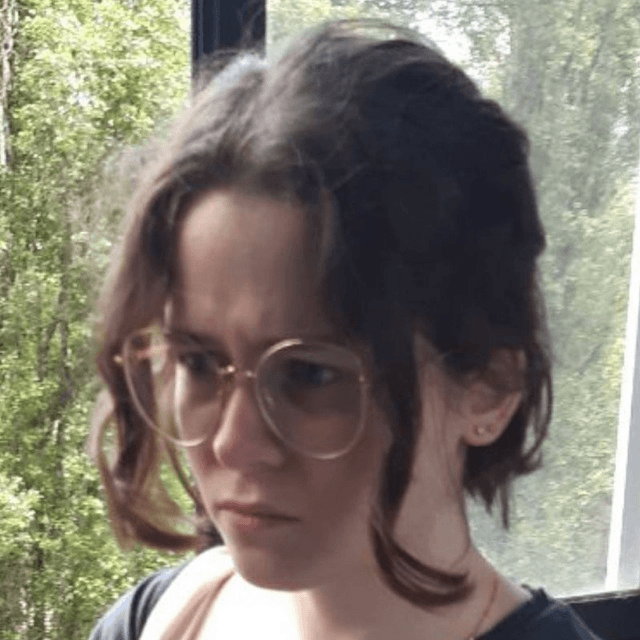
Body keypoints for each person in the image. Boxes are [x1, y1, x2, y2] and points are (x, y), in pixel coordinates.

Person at [88, 20, 601, 640]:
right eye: (197, 362)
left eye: (309, 374)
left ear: (489, 388)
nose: (233, 444)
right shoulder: (153, 620)